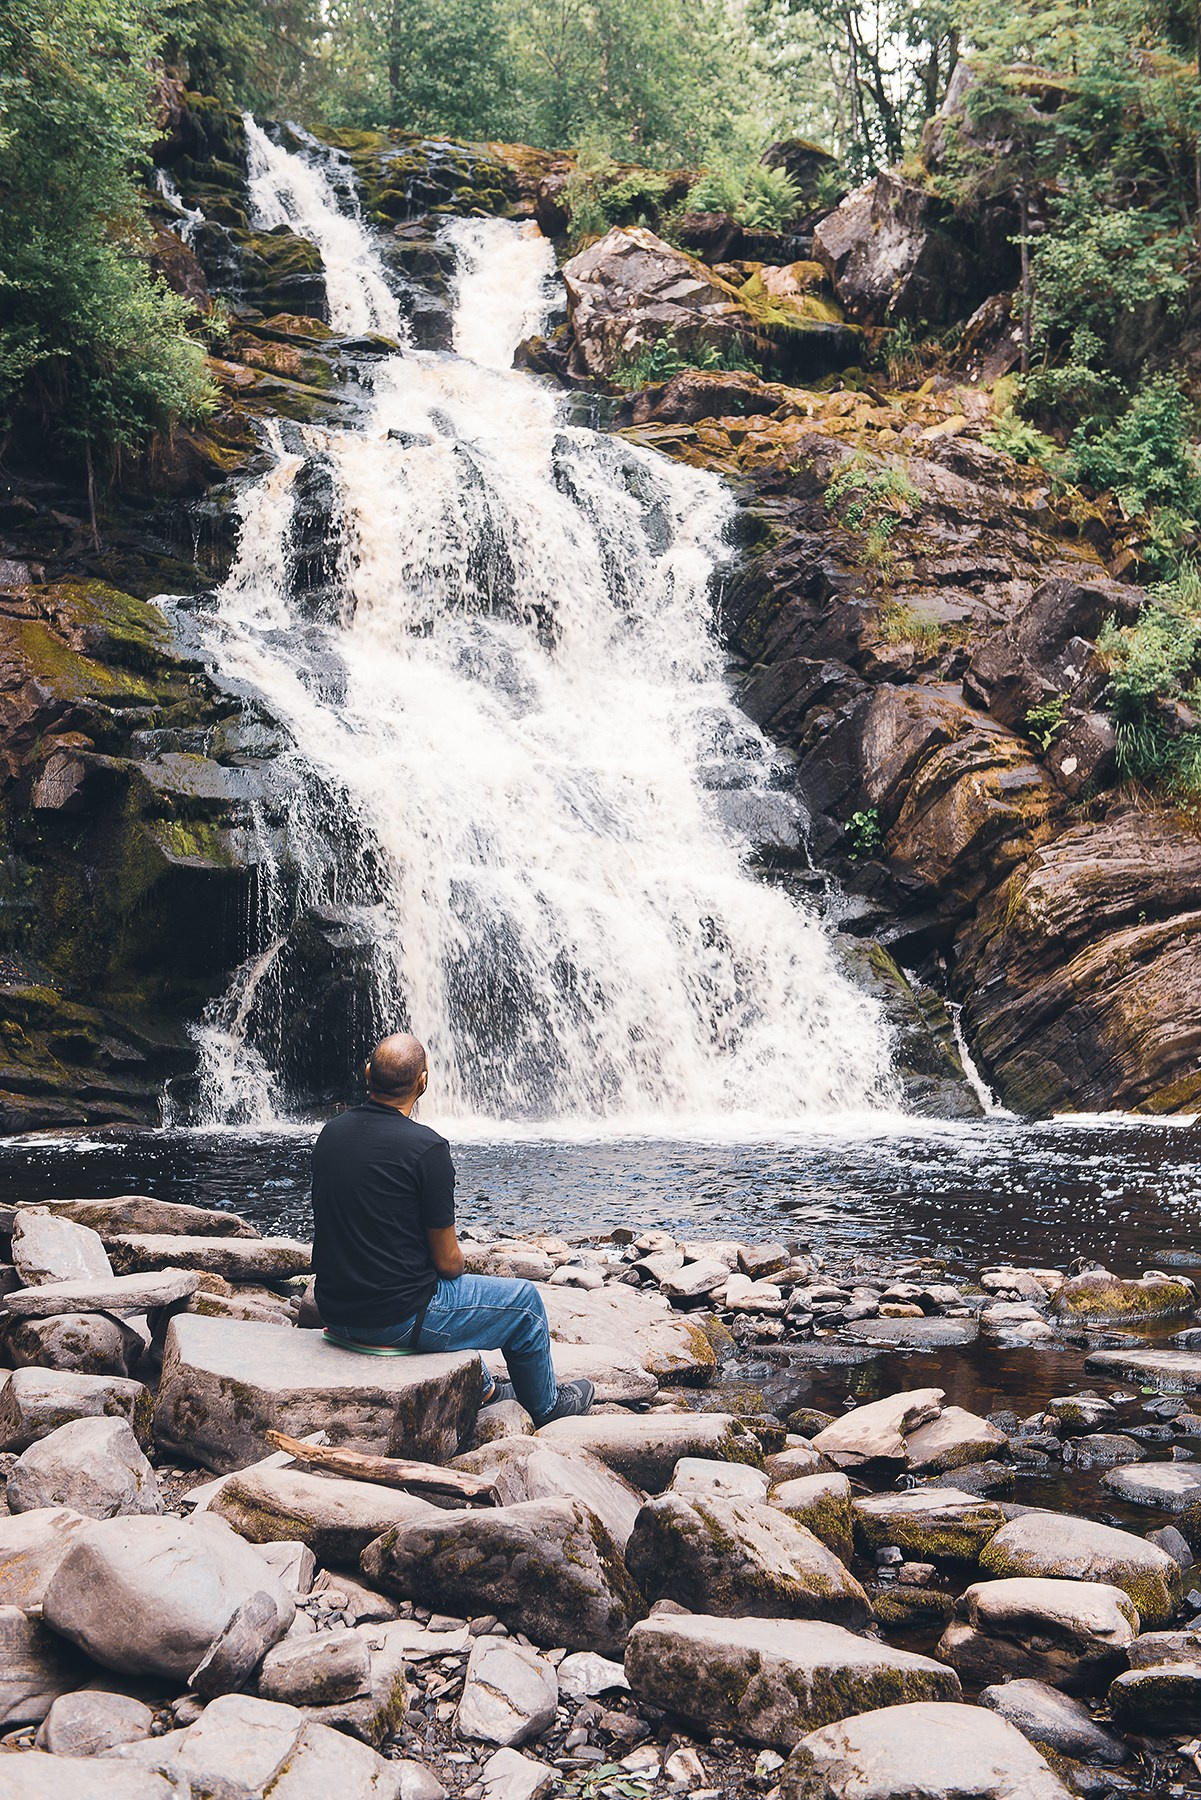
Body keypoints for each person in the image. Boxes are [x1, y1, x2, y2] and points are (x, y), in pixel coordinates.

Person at [310, 1031, 595, 1426]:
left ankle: (486, 1388)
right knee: (524, 1303)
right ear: (423, 1082)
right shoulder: (427, 1148)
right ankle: (546, 1406)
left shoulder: (331, 1133)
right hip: (394, 1320)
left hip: (336, 1309)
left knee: (426, 1282)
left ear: (368, 1072)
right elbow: (447, 1263)